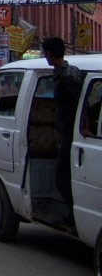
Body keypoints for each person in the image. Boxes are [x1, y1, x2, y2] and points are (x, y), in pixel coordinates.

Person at [41, 36, 85, 216]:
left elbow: (79, 107)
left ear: (49, 54)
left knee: (62, 179)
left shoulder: (66, 78)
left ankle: (74, 216)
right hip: (68, 132)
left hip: (71, 134)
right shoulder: (70, 71)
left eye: (45, 54)